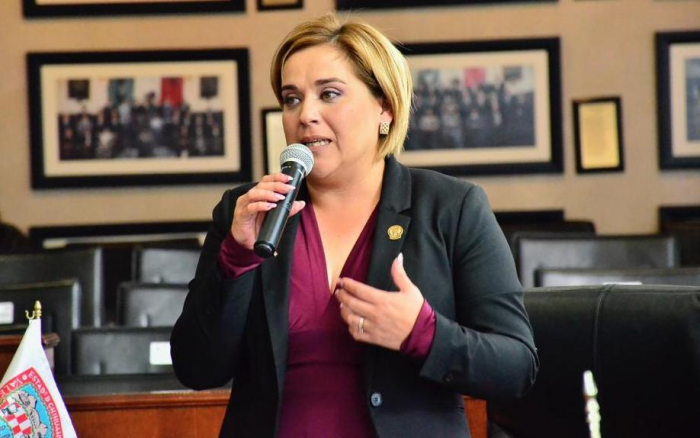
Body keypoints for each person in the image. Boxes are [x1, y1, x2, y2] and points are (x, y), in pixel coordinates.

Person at [170, 13, 538, 438]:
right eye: (291, 99)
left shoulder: (452, 207)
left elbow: (516, 367)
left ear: (385, 107)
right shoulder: (247, 211)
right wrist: (236, 261)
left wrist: (423, 333)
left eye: (329, 94)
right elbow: (196, 369)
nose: (305, 114)